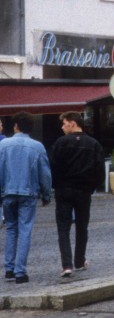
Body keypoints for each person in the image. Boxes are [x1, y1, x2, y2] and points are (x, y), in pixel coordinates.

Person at [49, 112, 105, 278]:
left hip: (64, 189)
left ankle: (67, 265)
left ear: (72, 123)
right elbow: (100, 170)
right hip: (83, 190)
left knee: (63, 227)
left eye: (64, 123)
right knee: (82, 226)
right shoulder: (93, 144)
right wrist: (92, 186)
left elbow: (53, 166)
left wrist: (56, 184)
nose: (62, 127)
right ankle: (79, 260)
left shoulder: (61, 143)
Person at [0, 113, 53, 284]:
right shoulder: (37, 147)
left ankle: (8, 269)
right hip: (28, 194)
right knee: (25, 231)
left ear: (15, 126)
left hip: (7, 192)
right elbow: (45, 174)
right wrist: (46, 195)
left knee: (11, 229)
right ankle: (20, 271)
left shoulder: (3, 145)